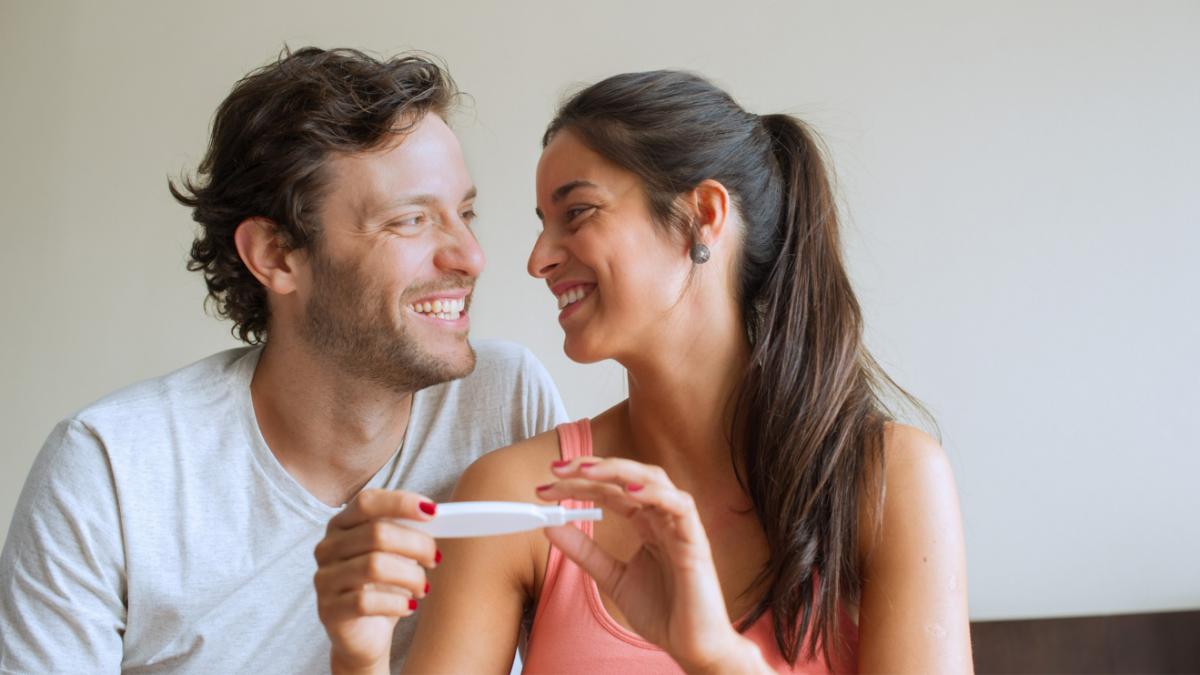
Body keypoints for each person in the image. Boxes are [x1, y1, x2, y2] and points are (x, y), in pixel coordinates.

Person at [315, 70, 973, 674]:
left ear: (703, 216)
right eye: (543, 224)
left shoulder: (887, 481)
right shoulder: (521, 497)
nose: (538, 258)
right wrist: (359, 656)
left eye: (578, 212)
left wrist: (717, 657)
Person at [0, 47, 566, 673]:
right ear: (274, 255)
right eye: (410, 221)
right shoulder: (112, 469)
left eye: (464, 214)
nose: (470, 256)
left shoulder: (504, 403)